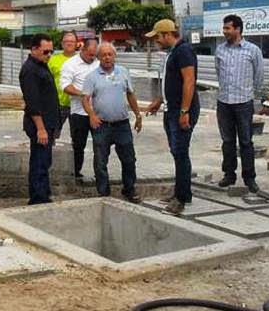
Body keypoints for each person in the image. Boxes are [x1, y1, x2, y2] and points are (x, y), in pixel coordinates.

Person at [145, 19, 200, 216]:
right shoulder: (172, 53)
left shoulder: (183, 51)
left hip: (181, 111)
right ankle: (182, 192)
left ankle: (181, 198)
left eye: (158, 37)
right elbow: (172, 83)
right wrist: (160, 100)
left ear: (167, 34)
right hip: (171, 109)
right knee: (177, 153)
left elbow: (189, 81)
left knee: (180, 152)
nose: (156, 41)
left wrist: (184, 111)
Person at [81, 43, 143, 203]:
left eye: (110, 54)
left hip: (122, 125)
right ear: (98, 57)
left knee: (129, 159)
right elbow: (85, 99)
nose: (107, 57)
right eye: (103, 55)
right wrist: (92, 115)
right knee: (100, 161)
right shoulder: (92, 77)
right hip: (102, 126)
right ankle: (103, 193)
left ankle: (129, 189)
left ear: (114, 56)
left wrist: (138, 115)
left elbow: (130, 94)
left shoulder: (123, 72)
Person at [214, 14, 264, 193]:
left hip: (244, 103)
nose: (224, 31)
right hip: (224, 102)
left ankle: (249, 178)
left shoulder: (253, 50)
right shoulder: (220, 50)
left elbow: (259, 77)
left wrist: (256, 101)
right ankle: (229, 174)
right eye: (224, 28)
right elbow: (219, 73)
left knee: (245, 142)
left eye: (228, 28)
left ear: (238, 29)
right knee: (227, 141)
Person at [19, 33, 59, 205]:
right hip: (39, 125)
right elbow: (33, 102)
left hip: (48, 123)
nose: (49, 55)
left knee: (44, 160)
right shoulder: (30, 70)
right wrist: (41, 128)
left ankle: (43, 193)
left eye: (51, 51)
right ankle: (38, 198)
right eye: (45, 52)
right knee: (39, 162)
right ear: (34, 49)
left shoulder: (41, 65)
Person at [59, 38, 100, 179]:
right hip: (79, 113)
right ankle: (76, 173)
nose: (92, 57)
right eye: (90, 54)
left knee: (100, 145)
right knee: (78, 145)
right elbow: (65, 86)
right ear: (82, 50)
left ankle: (99, 174)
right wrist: (82, 94)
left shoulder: (98, 63)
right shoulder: (70, 64)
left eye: (95, 55)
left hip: (97, 113)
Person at [48, 31, 79, 140]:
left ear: (76, 44)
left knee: (77, 138)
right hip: (58, 104)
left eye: (72, 41)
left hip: (77, 104)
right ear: (62, 44)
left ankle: (76, 157)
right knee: (52, 134)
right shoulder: (53, 59)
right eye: (66, 41)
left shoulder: (82, 60)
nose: (69, 44)